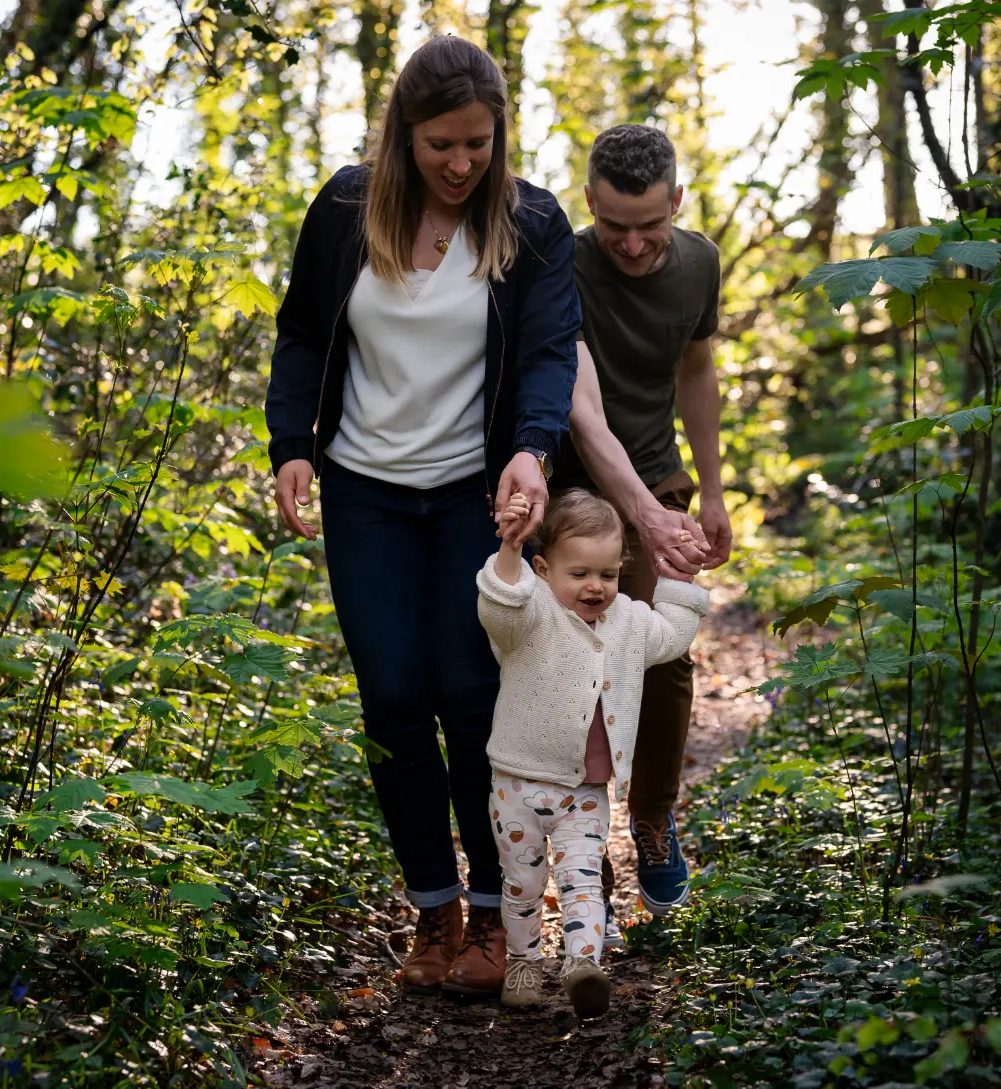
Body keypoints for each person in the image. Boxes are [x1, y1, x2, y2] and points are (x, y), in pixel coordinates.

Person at [263, 36, 580, 1000]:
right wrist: (291, 444)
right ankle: (432, 911)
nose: (460, 163)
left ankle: (496, 913)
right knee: (393, 699)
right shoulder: (347, 209)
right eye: (441, 144)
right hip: (365, 493)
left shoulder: (528, 223)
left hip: (471, 497)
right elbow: (302, 333)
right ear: (403, 134)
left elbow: (547, 353)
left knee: (470, 694)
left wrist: (532, 446)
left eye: (479, 144)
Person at [555, 124, 733, 931]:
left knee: (663, 655)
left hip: (661, 477)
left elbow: (695, 370)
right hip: (573, 489)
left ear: (679, 205)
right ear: (588, 201)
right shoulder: (558, 259)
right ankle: (584, 833)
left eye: (648, 227)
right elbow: (578, 406)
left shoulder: (698, 262)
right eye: (613, 225)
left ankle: (653, 821)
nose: (630, 244)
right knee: (577, 664)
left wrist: (716, 492)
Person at [476, 489, 708, 1017]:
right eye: (578, 573)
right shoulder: (530, 611)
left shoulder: (627, 620)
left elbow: (671, 638)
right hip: (517, 785)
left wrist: (679, 580)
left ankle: (583, 963)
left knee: (583, 879)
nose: (595, 587)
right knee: (523, 883)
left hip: (584, 791)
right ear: (543, 567)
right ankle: (524, 962)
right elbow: (499, 611)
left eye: (608, 574)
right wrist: (508, 550)